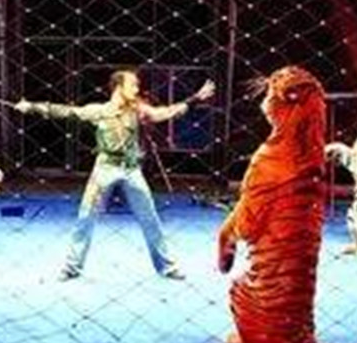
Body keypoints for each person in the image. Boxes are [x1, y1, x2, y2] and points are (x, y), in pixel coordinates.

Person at [15, 70, 214, 281]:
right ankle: (72, 267)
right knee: (86, 217)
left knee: (150, 218)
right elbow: (67, 112)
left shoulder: (137, 110)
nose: (136, 89)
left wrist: (195, 99)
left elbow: (165, 113)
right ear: (119, 87)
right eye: (133, 85)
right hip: (104, 169)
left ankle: (167, 267)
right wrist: (31, 107)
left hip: (131, 170)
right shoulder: (99, 111)